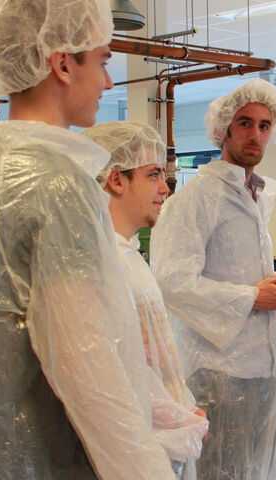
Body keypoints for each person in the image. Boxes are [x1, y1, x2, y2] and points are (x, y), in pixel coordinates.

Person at [0, 0, 177, 478]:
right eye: (102, 61)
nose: (108, 82)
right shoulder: (59, 184)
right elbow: (88, 370)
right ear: (63, 63)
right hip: (43, 458)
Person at [151, 78, 276, 480]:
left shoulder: (255, 195)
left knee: (255, 470)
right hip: (217, 373)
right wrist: (251, 296)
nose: (256, 135)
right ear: (224, 130)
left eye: (264, 126)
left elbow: (236, 271)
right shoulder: (195, 198)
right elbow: (171, 281)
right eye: (245, 123)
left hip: (262, 369)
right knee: (218, 472)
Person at [82, 121, 210, 479]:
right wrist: (176, 418)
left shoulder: (127, 255)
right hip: (134, 452)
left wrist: (180, 412)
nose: (165, 188)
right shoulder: (104, 263)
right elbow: (111, 379)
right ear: (116, 179)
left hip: (158, 442)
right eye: (154, 175)